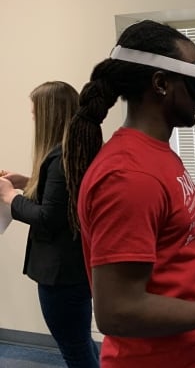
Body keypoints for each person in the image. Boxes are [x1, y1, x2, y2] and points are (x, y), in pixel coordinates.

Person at [61, 20, 195, 368]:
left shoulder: (157, 155)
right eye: (194, 80)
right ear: (161, 83)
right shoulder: (128, 176)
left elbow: (167, 254)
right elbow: (117, 311)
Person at [0, 81, 100, 368]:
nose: (33, 118)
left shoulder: (60, 158)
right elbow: (64, 199)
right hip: (78, 266)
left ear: (48, 115)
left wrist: (8, 197)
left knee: (75, 348)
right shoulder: (78, 150)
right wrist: (29, 182)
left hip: (62, 273)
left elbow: (48, 218)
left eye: (35, 114)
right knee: (82, 340)